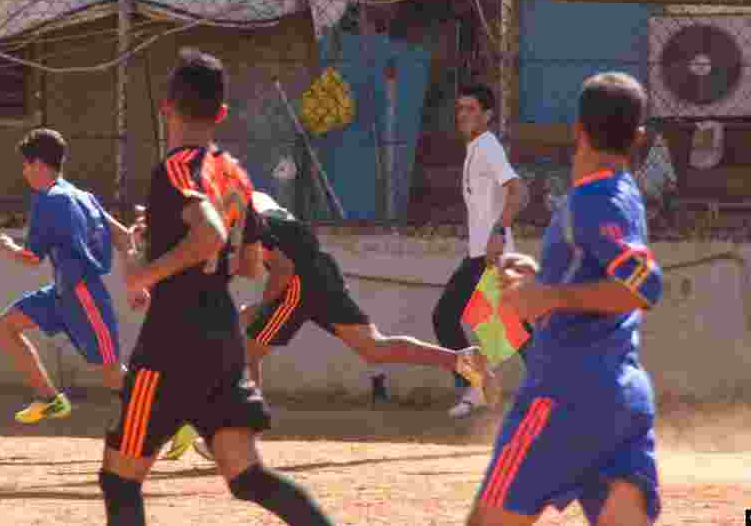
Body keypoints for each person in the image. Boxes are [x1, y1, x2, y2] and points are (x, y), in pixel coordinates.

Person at [100, 49, 339, 526]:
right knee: (248, 477)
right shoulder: (233, 174)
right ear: (222, 113)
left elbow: (208, 233)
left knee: (120, 479)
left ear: (167, 107)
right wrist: (169, 237)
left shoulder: (175, 168)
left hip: (170, 342)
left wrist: (147, 273)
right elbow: (250, 265)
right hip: (221, 341)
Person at [163, 189, 494, 463]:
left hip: (299, 281)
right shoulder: (256, 200)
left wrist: (261, 306)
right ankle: (462, 360)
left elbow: (282, 267)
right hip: (322, 271)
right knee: (374, 348)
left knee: (248, 351)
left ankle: (240, 437)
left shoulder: (243, 218)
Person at [466, 72, 664, 526]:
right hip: (622, 401)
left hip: (564, 395)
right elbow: (605, 274)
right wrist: (545, 280)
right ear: (638, 138)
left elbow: (643, 286)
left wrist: (549, 294)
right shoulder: (624, 193)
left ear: (578, 130)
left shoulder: (593, 199)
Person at [0, 128, 135, 423]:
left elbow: (31, 259)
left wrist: (7, 247)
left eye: (26, 165)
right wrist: (135, 281)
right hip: (62, 291)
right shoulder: (84, 196)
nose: (24, 172)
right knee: (3, 327)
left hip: (83, 295)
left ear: (38, 164)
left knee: (112, 374)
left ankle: (178, 420)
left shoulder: (49, 200)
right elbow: (124, 236)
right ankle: (49, 399)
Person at [436, 82, 525, 418]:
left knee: (449, 318)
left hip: (490, 256)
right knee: (513, 331)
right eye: (460, 109)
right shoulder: (476, 148)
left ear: (487, 115)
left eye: (471, 109)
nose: (463, 115)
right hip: (479, 254)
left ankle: (478, 387)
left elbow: (518, 191)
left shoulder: (488, 146)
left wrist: (499, 232)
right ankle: (478, 386)